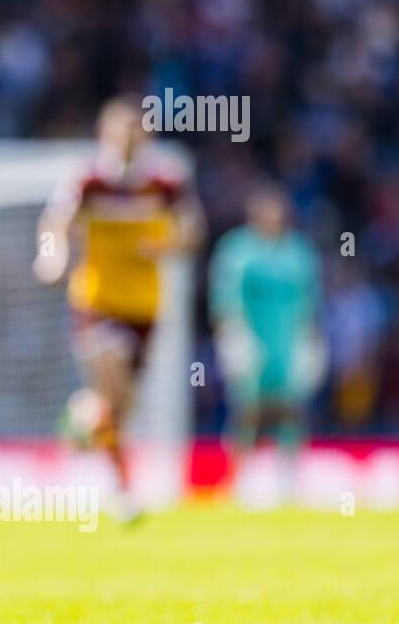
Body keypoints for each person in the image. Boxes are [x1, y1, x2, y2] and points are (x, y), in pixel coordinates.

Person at [34, 95, 204, 520]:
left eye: (137, 130)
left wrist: (167, 245)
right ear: (105, 134)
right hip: (96, 300)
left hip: (144, 306)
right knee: (109, 374)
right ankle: (124, 489)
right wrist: (51, 256)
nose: (130, 138)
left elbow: (193, 232)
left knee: (117, 410)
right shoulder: (88, 180)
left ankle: (83, 423)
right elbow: (55, 223)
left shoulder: (165, 183)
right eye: (122, 130)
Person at [209, 183, 324, 503]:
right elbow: (225, 298)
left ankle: (290, 482)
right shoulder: (237, 249)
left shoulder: (298, 252)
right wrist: (233, 335)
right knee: (247, 411)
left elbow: (310, 301)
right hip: (252, 341)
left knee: (291, 411)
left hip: (287, 343)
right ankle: (237, 478)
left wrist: (310, 340)